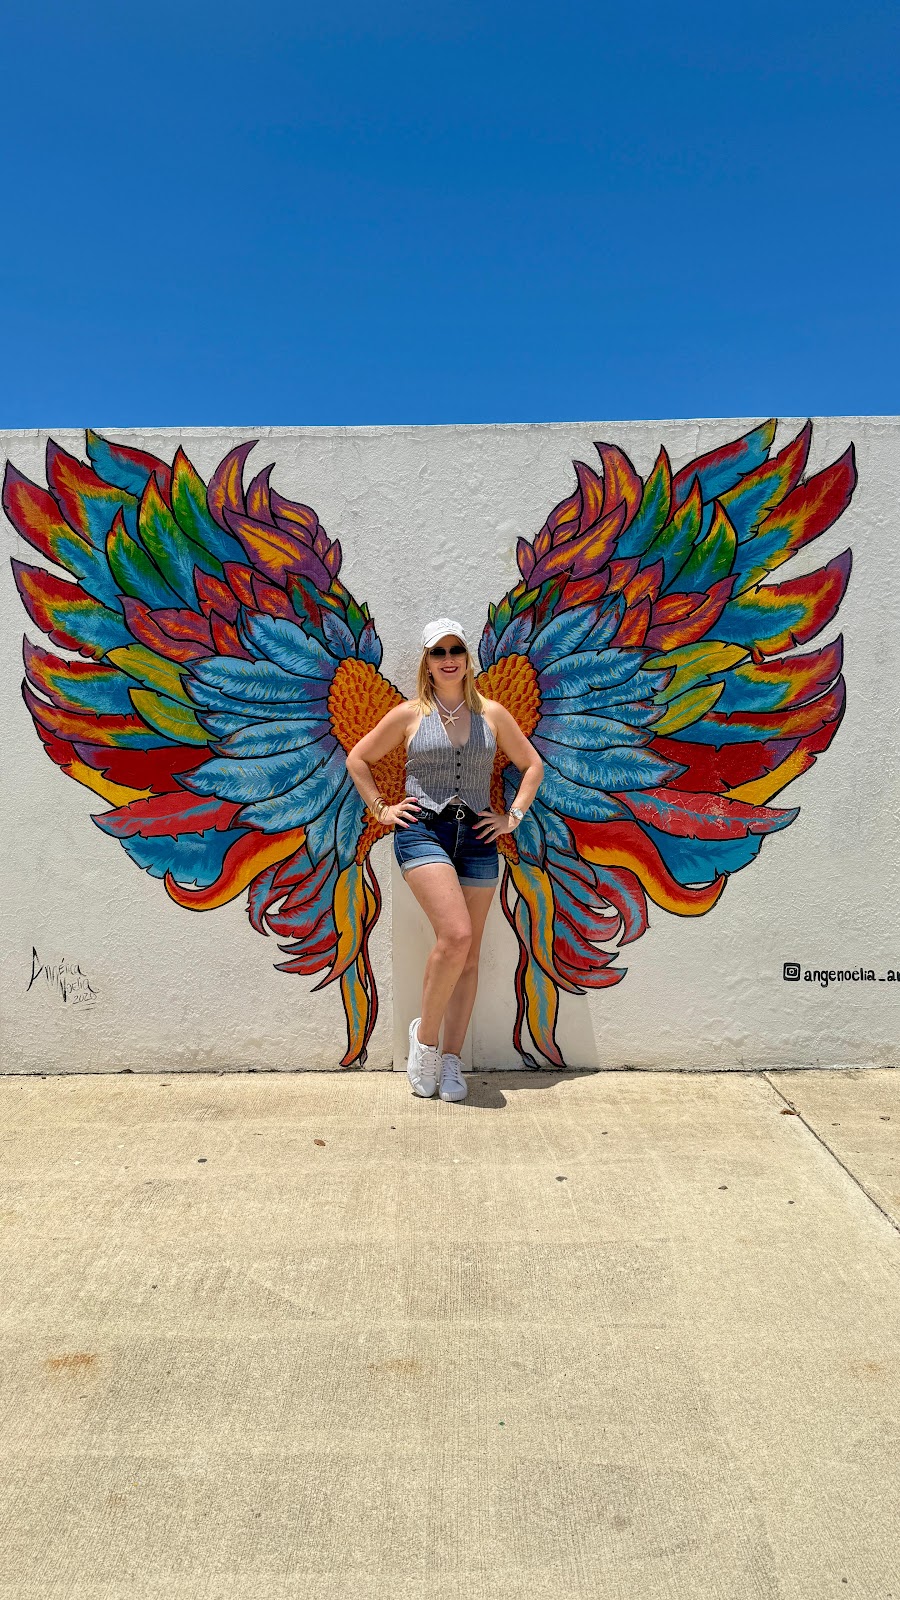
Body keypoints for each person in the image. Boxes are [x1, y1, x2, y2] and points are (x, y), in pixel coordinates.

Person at [346, 618, 544, 1102]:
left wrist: (512, 817)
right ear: (427, 661)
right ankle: (427, 1043)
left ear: (467, 659)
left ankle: (453, 1060)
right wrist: (382, 809)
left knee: (470, 957)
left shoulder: (492, 714)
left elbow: (532, 765)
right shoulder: (409, 714)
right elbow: (358, 759)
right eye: (439, 652)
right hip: (423, 833)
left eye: (456, 649)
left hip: (478, 836)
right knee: (455, 935)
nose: (449, 658)